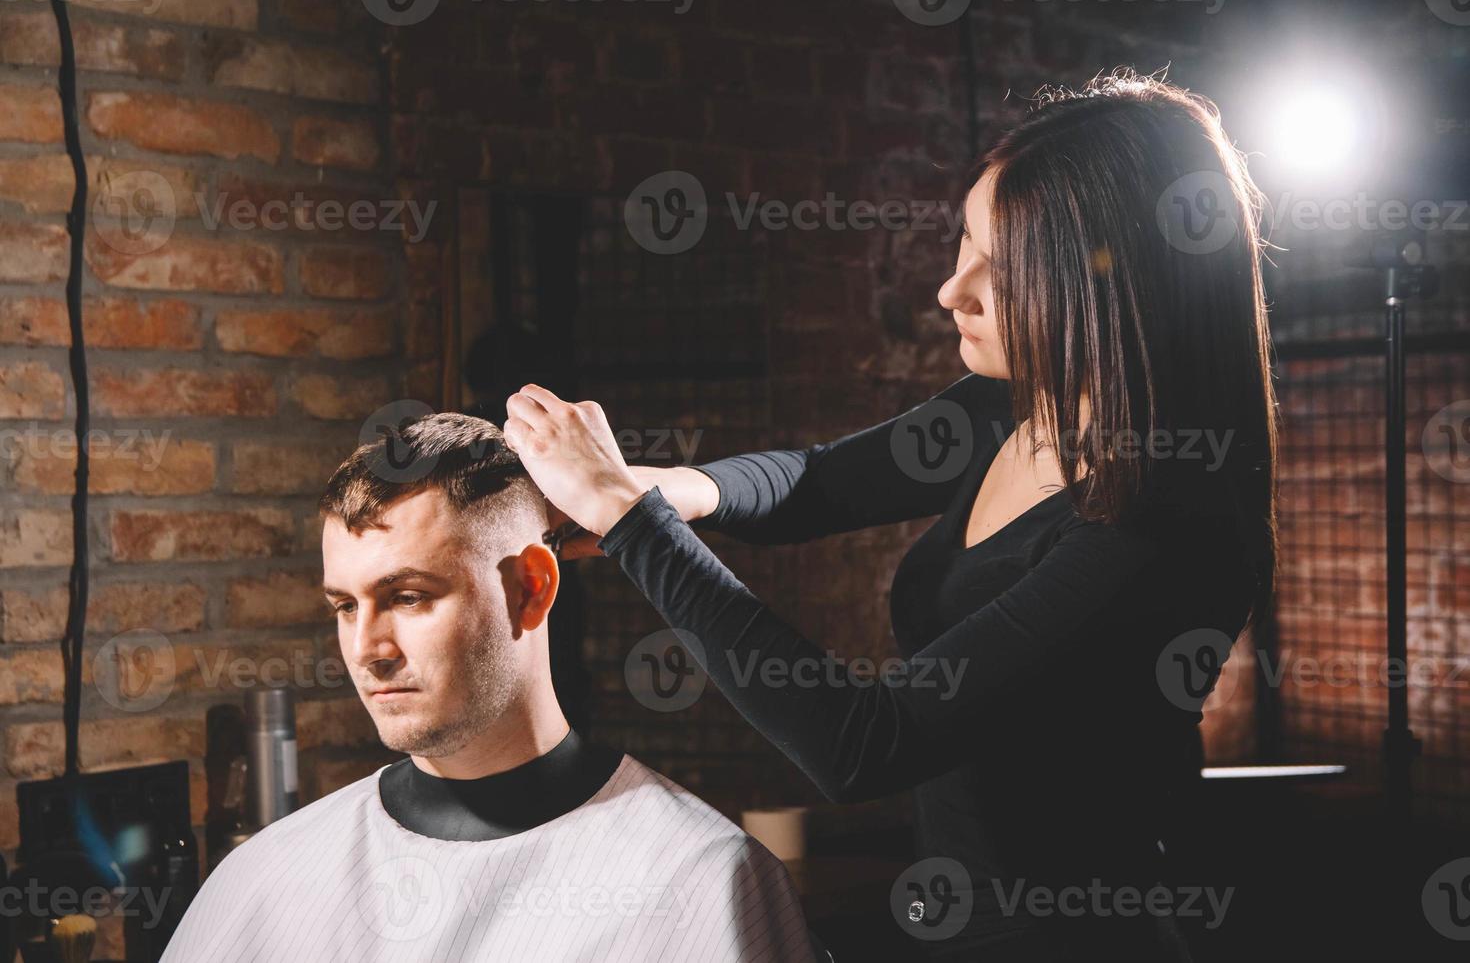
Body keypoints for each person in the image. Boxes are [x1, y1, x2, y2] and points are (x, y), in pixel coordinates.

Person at [501, 68, 1278, 961]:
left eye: (1003, 267)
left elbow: (865, 743)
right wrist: (663, 488)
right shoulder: (1021, 405)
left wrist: (635, 522)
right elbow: (817, 481)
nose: (954, 290)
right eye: (964, 243)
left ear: (1113, 283)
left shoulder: (1157, 528)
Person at [160, 413, 818, 963]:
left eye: (409, 597)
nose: (367, 650)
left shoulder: (699, 880)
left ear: (531, 588)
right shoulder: (269, 878)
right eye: (346, 607)